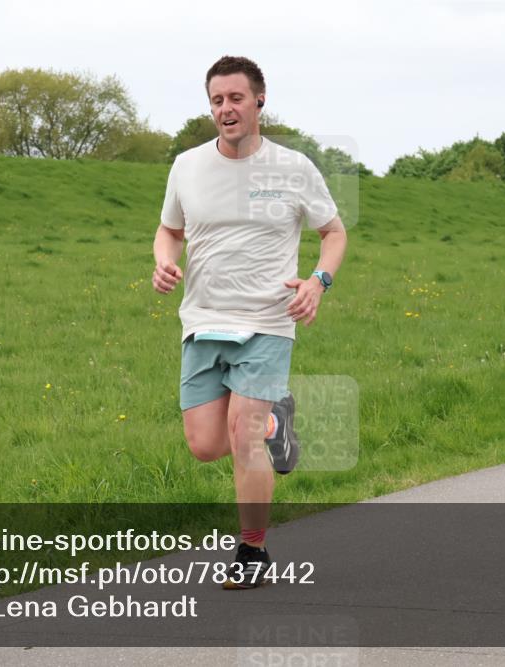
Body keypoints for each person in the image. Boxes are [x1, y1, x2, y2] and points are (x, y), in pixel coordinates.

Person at [152, 55, 348, 589]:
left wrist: (317, 283)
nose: (225, 109)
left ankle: (252, 551)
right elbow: (170, 230)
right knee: (205, 445)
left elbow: (334, 233)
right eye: (216, 100)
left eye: (235, 98)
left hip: (268, 318)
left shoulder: (293, 168)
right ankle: (275, 421)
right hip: (202, 319)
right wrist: (163, 259)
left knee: (241, 436)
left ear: (259, 101)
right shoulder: (187, 166)